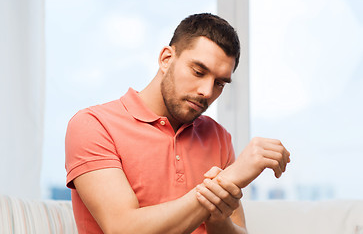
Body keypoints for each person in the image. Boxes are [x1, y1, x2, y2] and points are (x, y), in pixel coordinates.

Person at [65, 13, 290, 234]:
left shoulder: (217, 135)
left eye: (220, 83)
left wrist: (218, 220)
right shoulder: (93, 125)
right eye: (198, 72)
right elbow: (124, 228)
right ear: (166, 59)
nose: (207, 91)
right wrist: (226, 179)